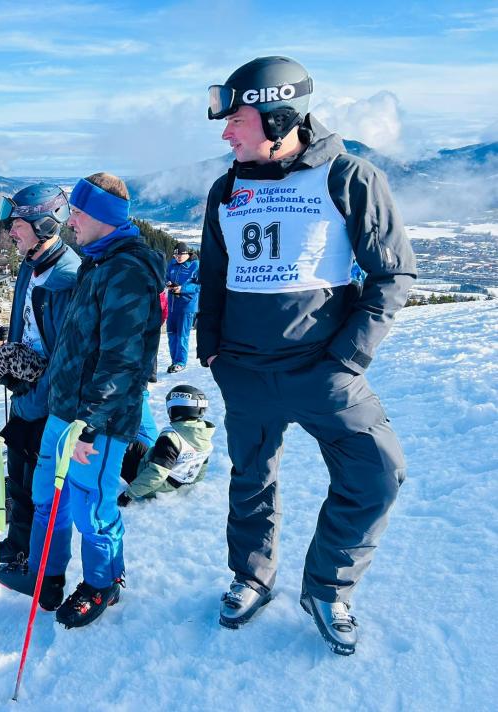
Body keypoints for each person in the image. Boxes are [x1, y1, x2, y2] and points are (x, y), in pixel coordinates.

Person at [198, 56, 416, 654]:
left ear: (277, 118)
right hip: (243, 370)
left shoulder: (348, 176)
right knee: (251, 479)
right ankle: (251, 576)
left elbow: (392, 275)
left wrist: (347, 358)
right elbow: (214, 275)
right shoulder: (227, 187)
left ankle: (327, 587)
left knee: (376, 473)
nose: (225, 134)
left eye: (236, 120)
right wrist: (211, 348)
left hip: (322, 371)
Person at [0, 172, 164, 629]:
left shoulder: (128, 271)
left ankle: (102, 583)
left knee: (93, 506)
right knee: (48, 496)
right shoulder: (97, 261)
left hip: (97, 419)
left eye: (79, 214)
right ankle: (46, 575)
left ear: (104, 217)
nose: (70, 222)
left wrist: (92, 423)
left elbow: (123, 359)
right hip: (65, 409)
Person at [0, 183, 81, 565]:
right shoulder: (31, 266)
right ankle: (19, 544)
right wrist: (13, 344)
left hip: (49, 401)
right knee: (19, 474)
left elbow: (68, 357)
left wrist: (31, 387)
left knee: (43, 488)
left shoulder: (66, 279)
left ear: (44, 225)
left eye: (17, 224)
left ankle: (41, 562)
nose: (10, 232)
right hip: (27, 395)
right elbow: (36, 325)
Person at [118, 385, 216, 504]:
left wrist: (129, 494)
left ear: (176, 409)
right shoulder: (203, 435)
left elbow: (157, 473)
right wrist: (188, 484)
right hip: (176, 480)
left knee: (117, 447)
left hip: (156, 487)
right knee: (135, 444)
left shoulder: (171, 438)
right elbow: (200, 470)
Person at [165, 242, 200, 373]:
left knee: (182, 335)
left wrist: (183, 289)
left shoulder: (195, 265)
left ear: (187, 253)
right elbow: (166, 277)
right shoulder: (172, 264)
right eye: (176, 255)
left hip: (187, 305)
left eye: (180, 255)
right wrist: (168, 283)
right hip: (172, 305)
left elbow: (200, 285)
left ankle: (180, 362)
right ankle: (174, 361)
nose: (178, 257)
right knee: (171, 334)